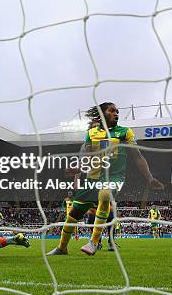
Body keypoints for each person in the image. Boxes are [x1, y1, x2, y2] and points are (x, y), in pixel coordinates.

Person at [48, 102, 164, 256]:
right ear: (103, 114)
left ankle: (94, 242)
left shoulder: (125, 132)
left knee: (104, 195)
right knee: (74, 214)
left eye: (117, 111)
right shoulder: (91, 133)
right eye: (112, 111)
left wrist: (150, 179)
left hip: (114, 176)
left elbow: (138, 157)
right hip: (92, 179)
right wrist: (78, 169)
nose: (116, 113)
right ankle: (62, 247)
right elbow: (88, 159)